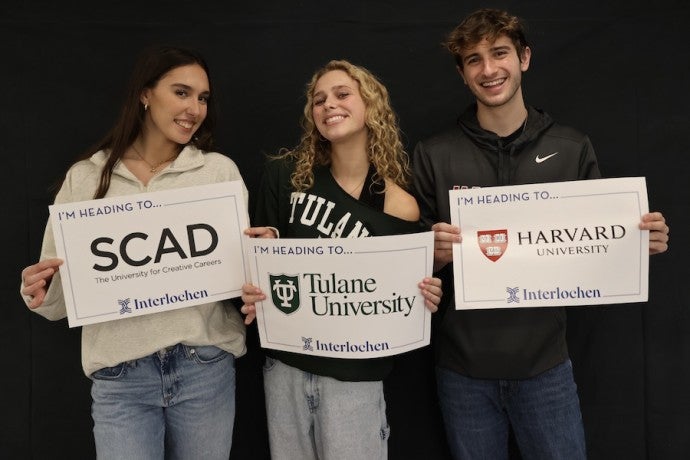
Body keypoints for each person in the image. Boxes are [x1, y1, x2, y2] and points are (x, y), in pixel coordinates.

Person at [412, 8, 670, 460]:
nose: (489, 69)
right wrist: (428, 254)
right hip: (461, 372)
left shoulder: (570, 147)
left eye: (499, 53)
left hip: (545, 369)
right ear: (462, 73)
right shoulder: (434, 154)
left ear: (524, 58)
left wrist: (639, 242)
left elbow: (602, 244)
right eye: (473, 59)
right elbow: (412, 263)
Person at [19, 45, 247, 459]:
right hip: (120, 376)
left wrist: (260, 262)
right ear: (145, 94)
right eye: (181, 93)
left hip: (204, 368)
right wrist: (38, 291)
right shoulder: (86, 177)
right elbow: (58, 299)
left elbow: (240, 278)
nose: (194, 108)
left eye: (202, 98)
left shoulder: (218, 172)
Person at [240, 59, 443, 460]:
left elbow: (401, 291)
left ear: (371, 106)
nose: (328, 104)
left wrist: (426, 290)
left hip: (356, 374)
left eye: (342, 94)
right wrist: (250, 283)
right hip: (287, 365)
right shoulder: (284, 177)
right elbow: (253, 267)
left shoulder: (399, 205)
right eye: (319, 100)